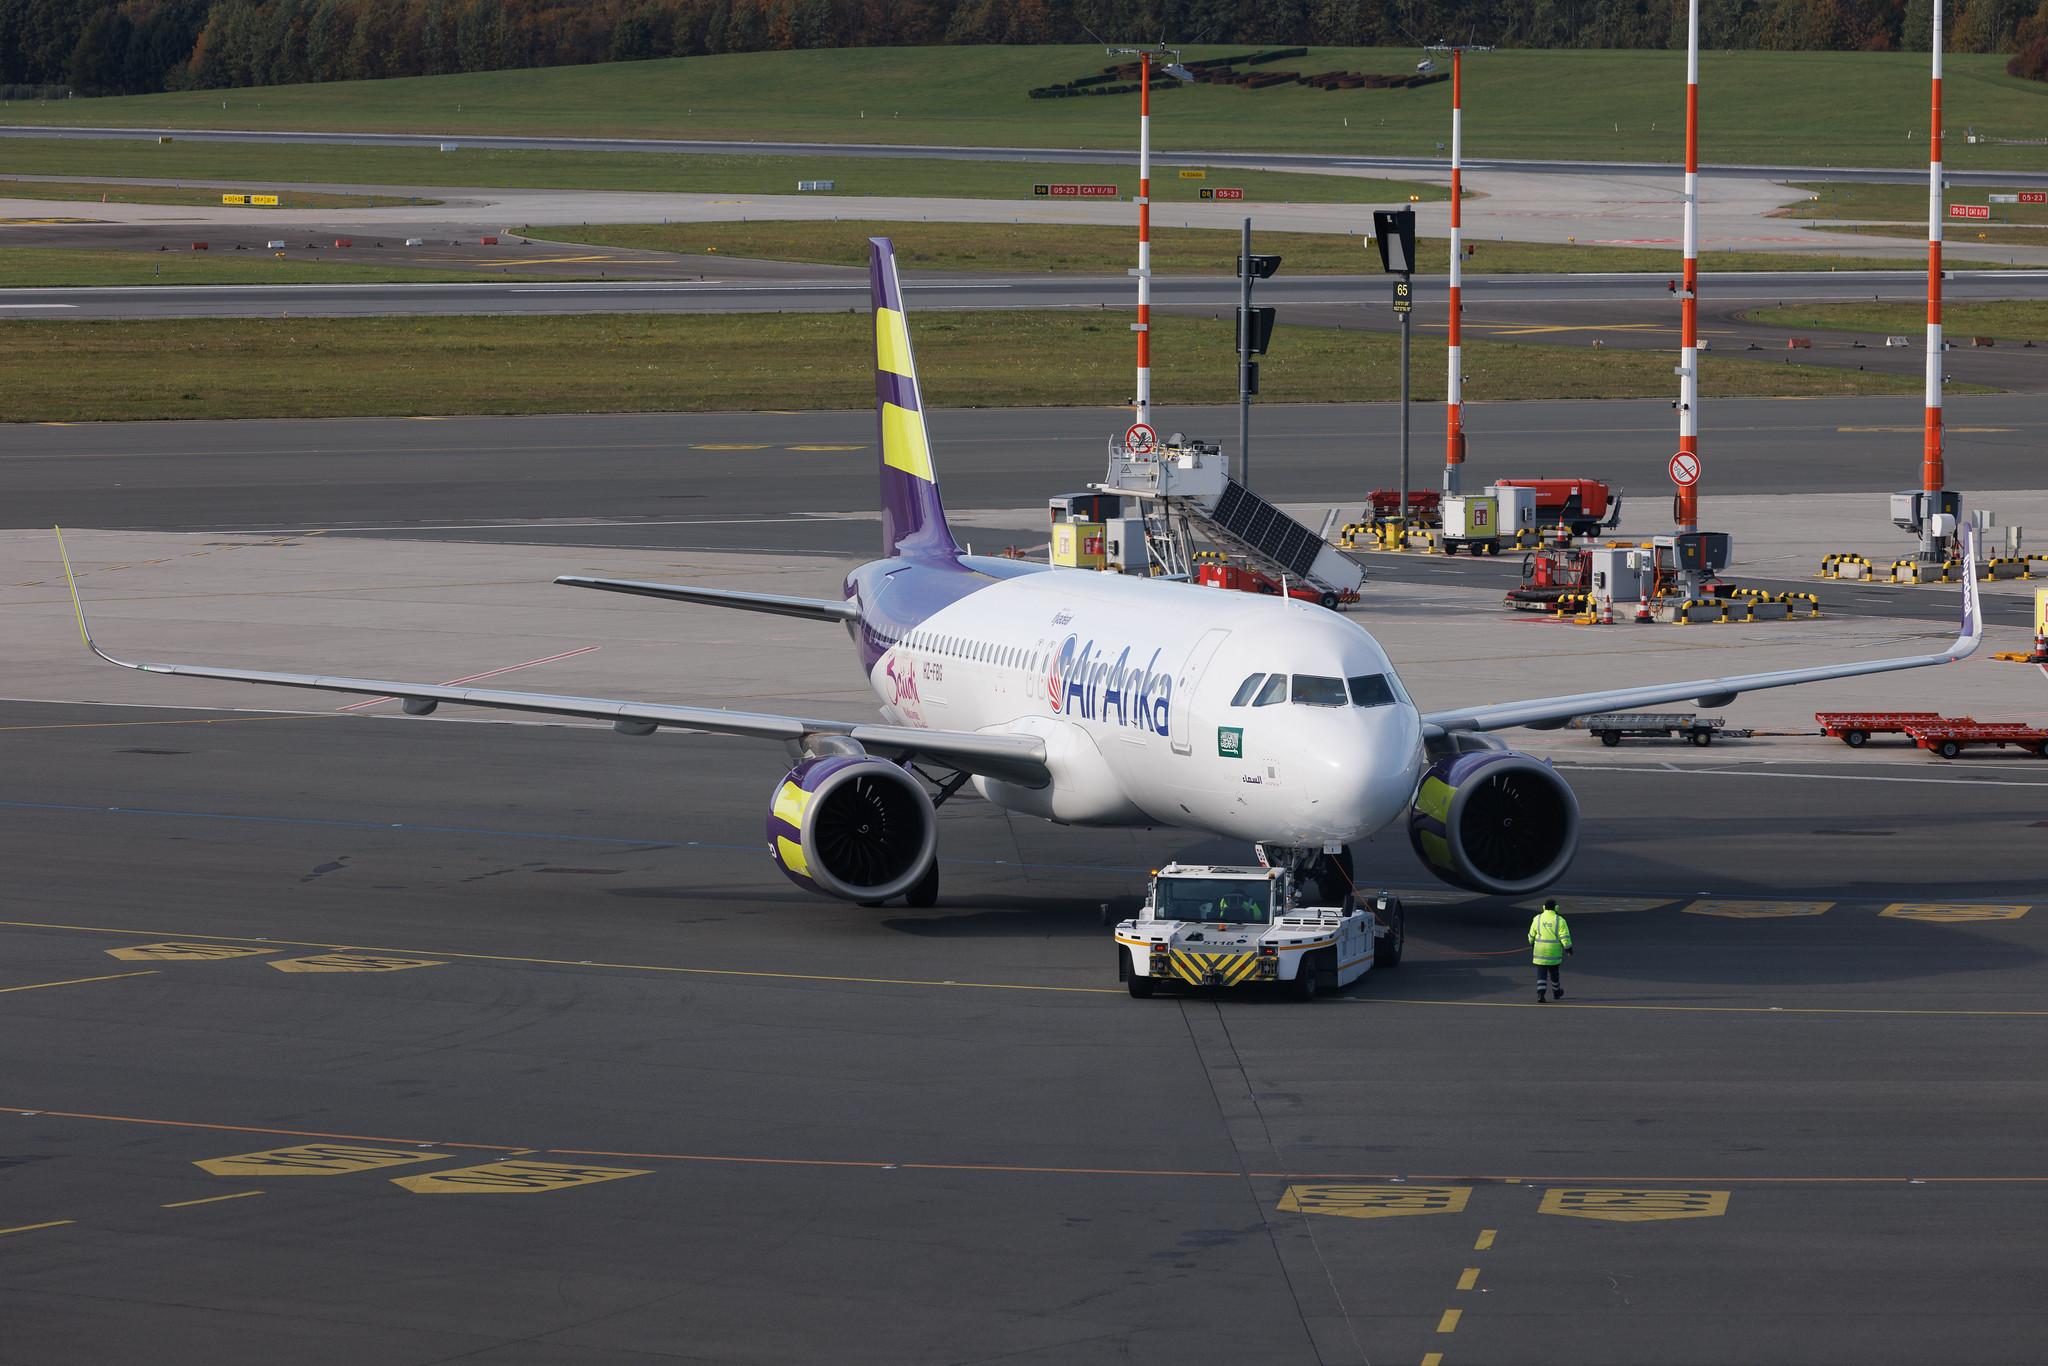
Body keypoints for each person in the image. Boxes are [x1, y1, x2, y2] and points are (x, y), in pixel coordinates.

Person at [1528, 898, 1573, 1002]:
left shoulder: (1537, 918)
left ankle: (1540, 994)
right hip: (1553, 953)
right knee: (1554, 973)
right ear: (1556, 908)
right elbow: (1565, 937)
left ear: (1544, 907)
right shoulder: (1560, 920)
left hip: (1540, 952)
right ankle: (1556, 992)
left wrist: (1531, 943)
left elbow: (1531, 934)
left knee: (1541, 974)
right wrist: (1568, 949)